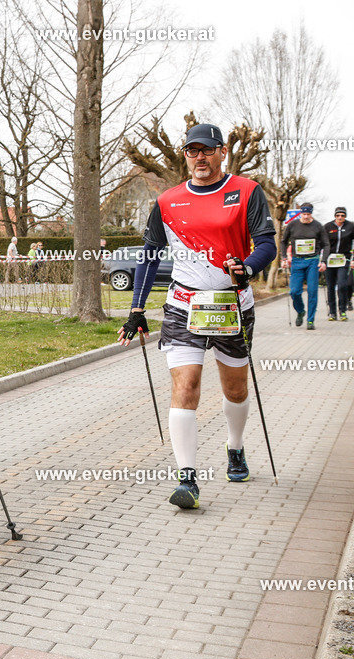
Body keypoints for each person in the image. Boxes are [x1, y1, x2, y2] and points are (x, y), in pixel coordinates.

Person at [117, 123, 276, 509]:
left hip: (230, 305)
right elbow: (150, 255)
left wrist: (248, 266)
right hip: (183, 305)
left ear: (222, 152)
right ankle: (187, 478)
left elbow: (267, 243)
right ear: (185, 156)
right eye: (192, 150)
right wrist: (136, 310)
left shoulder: (246, 191)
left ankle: (234, 447)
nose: (200, 157)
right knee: (185, 386)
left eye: (207, 149)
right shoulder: (167, 201)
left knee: (235, 388)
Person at [281, 203, 329, 329]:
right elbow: (283, 242)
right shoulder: (293, 225)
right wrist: (284, 258)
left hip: (313, 261)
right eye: (304, 214)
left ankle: (310, 320)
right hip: (297, 261)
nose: (306, 217)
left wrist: (323, 261)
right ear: (300, 213)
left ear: (311, 214)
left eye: (308, 214)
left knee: (312, 291)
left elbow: (326, 244)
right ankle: (301, 311)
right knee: (294, 292)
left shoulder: (318, 226)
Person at [323, 206, 353, 321]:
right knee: (330, 286)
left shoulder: (351, 226)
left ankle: (343, 310)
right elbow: (323, 243)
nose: (340, 218)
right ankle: (332, 312)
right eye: (338, 215)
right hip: (330, 259)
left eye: (342, 215)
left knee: (342, 285)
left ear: (345, 216)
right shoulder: (328, 226)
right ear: (335, 216)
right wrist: (322, 260)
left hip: (343, 259)